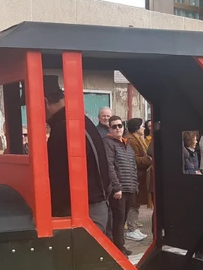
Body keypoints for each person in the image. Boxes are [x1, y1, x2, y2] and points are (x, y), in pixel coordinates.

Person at [45, 86, 113, 231]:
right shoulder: (81, 121)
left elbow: (58, 177)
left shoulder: (64, 129)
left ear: (45, 102)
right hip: (96, 205)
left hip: (81, 211)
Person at [102, 116, 138, 256]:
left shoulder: (126, 144)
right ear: (109, 128)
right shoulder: (108, 143)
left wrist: (135, 185)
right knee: (117, 219)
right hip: (119, 189)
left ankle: (119, 245)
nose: (118, 128)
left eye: (120, 125)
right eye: (114, 126)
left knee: (122, 219)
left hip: (130, 188)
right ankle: (118, 247)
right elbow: (109, 166)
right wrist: (116, 187)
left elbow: (132, 166)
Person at [125, 118, 150, 241]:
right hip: (136, 177)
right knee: (133, 204)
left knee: (137, 203)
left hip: (140, 176)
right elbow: (134, 159)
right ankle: (131, 229)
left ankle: (134, 227)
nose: (144, 128)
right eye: (141, 126)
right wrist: (149, 159)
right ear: (136, 128)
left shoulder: (138, 139)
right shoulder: (131, 140)